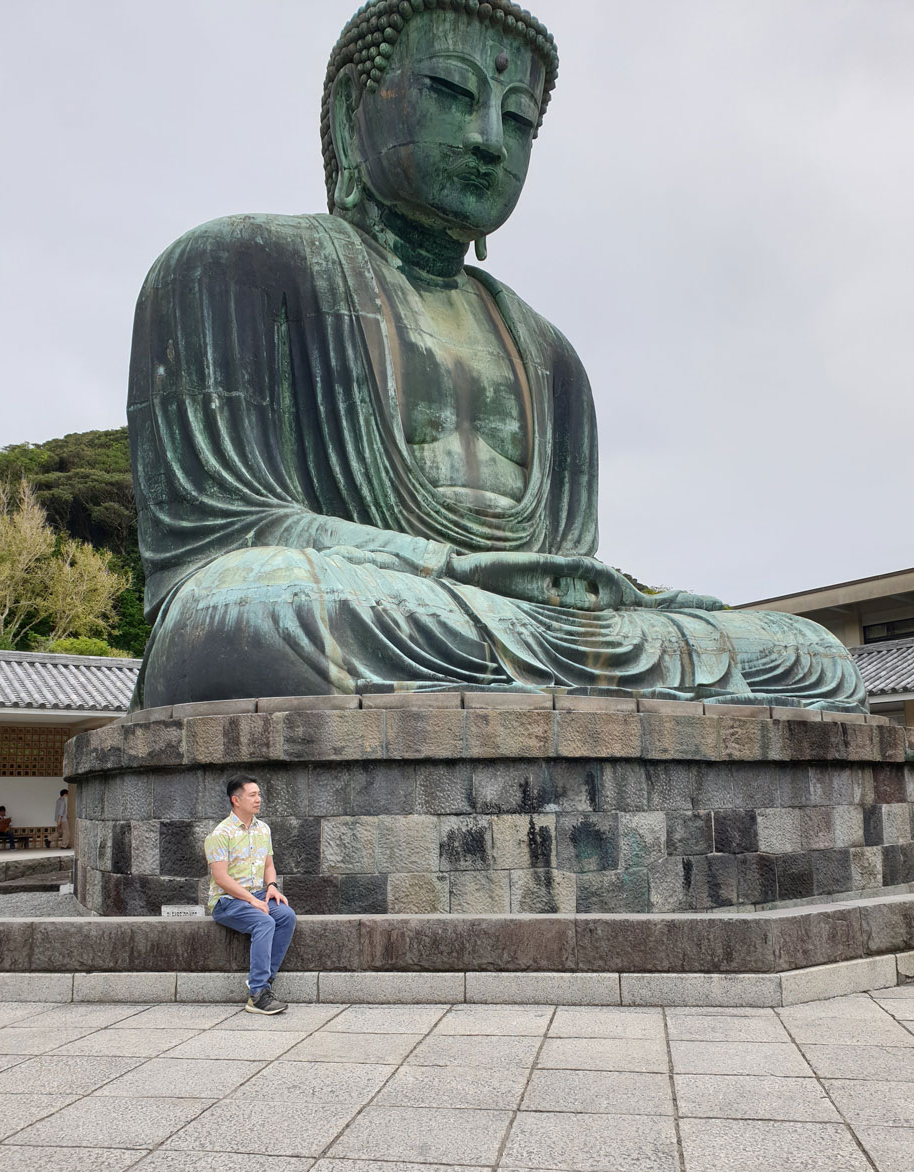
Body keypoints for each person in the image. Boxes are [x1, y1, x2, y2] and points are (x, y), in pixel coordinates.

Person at [127, 0, 865, 713]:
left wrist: (622, 598)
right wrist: (444, 568)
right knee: (249, 611)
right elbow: (226, 536)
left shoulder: (550, 355)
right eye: (451, 92)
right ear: (355, 111)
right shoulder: (233, 267)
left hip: (510, 625)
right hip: (361, 602)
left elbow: (565, 572)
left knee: (808, 653)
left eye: (518, 120)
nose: (487, 140)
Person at [204, 774, 296, 1015]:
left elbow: (268, 865)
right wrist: (253, 900)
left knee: (286, 916)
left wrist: (273, 886)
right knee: (264, 921)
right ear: (236, 800)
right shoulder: (220, 834)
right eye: (252, 795)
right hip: (227, 901)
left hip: (257, 894)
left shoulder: (263, 829)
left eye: (259, 794)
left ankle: (264, 985)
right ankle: (257, 995)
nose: (258, 799)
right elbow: (221, 878)